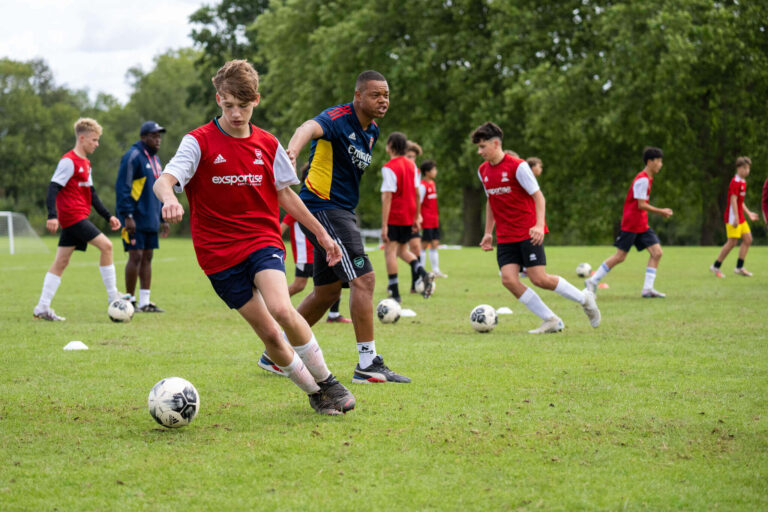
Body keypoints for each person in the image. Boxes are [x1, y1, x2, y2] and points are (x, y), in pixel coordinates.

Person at [153, 59, 354, 416]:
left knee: (281, 308)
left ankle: (329, 382)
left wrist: (322, 234)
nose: (235, 113)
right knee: (271, 336)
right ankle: (314, 393)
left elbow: (286, 195)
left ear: (256, 101)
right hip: (216, 255)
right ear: (218, 99)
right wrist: (169, 199)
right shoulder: (197, 142)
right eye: (229, 105)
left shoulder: (267, 143)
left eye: (243, 106)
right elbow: (165, 179)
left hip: (261, 240)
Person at [285, 70, 410, 384]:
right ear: (358, 96)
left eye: (386, 96)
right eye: (375, 95)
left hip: (341, 210)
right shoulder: (336, 118)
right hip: (324, 206)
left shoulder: (373, 131)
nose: (383, 101)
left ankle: (279, 352)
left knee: (327, 291)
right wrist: (292, 151)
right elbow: (308, 127)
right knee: (364, 278)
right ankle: (367, 364)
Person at [472, 122, 601, 334]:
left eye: (483, 146)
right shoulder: (483, 171)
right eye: (478, 147)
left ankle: (585, 298)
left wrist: (539, 225)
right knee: (509, 280)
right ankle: (550, 319)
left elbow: (539, 197)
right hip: (505, 235)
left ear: (496, 144)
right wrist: (488, 232)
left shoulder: (518, 166)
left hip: (527, 231)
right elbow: (491, 202)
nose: (479, 151)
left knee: (539, 279)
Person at [33, 118, 125, 321]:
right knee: (107, 246)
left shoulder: (85, 163)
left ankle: (42, 307)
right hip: (73, 216)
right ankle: (113, 297)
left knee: (61, 261)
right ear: (82, 138)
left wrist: (108, 216)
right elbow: (53, 188)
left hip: (77, 216)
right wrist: (52, 215)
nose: (97, 144)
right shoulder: (69, 161)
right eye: (94, 140)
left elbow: (91, 194)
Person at [258, 213, 352, 377]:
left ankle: (334, 314)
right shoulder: (298, 204)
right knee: (300, 284)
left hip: (316, 248)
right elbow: (283, 226)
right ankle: (270, 301)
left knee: (332, 282)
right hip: (303, 251)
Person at [585, 147, 673, 297]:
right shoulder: (642, 179)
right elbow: (641, 204)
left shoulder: (648, 178)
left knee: (657, 253)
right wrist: (661, 211)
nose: (660, 164)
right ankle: (593, 281)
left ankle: (647, 289)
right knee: (620, 256)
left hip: (641, 224)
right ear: (650, 162)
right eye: (658, 161)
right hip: (632, 223)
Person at [115, 121, 170, 312]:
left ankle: (145, 302)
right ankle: (130, 301)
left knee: (148, 256)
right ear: (143, 137)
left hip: (151, 217)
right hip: (134, 218)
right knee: (135, 255)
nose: (158, 140)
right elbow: (123, 187)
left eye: (159, 136)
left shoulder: (156, 160)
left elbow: (161, 189)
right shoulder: (133, 156)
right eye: (154, 136)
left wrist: (163, 216)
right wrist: (127, 215)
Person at [380, 132, 435, 303]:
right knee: (403, 251)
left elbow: (388, 196)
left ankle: (395, 293)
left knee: (390, 251)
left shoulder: (389, 167)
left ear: (390, 146)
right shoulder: (413, 167)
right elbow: (417, 193)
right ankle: (423, 273)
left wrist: (384, 225)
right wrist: (416, 216)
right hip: (409, 215)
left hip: (395, 215)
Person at [710, 156, 760, 277]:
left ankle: (739, 267)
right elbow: (733, 200)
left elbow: (740, 202)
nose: (747, 171)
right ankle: (715, 266)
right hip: (733, 216)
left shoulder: (743, 182)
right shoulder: (735, 182)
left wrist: (749, 213)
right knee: (732, 243)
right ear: (738, 168)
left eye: (748, 168)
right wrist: (736, 218)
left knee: (748, 239)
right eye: (744, 168)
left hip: (740, 216)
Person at [418, 159, 446, 278]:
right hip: (426, 220)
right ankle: (421, 271)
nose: (436, 171)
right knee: (424, 245)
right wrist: (418, 217)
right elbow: (418, 202)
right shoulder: (422, 186)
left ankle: (435, 270)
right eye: (433, 169)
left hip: (434, 219)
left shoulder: (432, 184)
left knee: (435, 243)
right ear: (427, 172)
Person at [405, 140, 424, 292]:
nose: (412, 160)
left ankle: (415, 284)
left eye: (414, 157)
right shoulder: (398, 169)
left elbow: (416, 195)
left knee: (416, 248)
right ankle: (392, 283)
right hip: (399, 216)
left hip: (412, 216)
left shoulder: (416, 171)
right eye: (409, 156)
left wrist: (418, 216)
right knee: (397, 250)